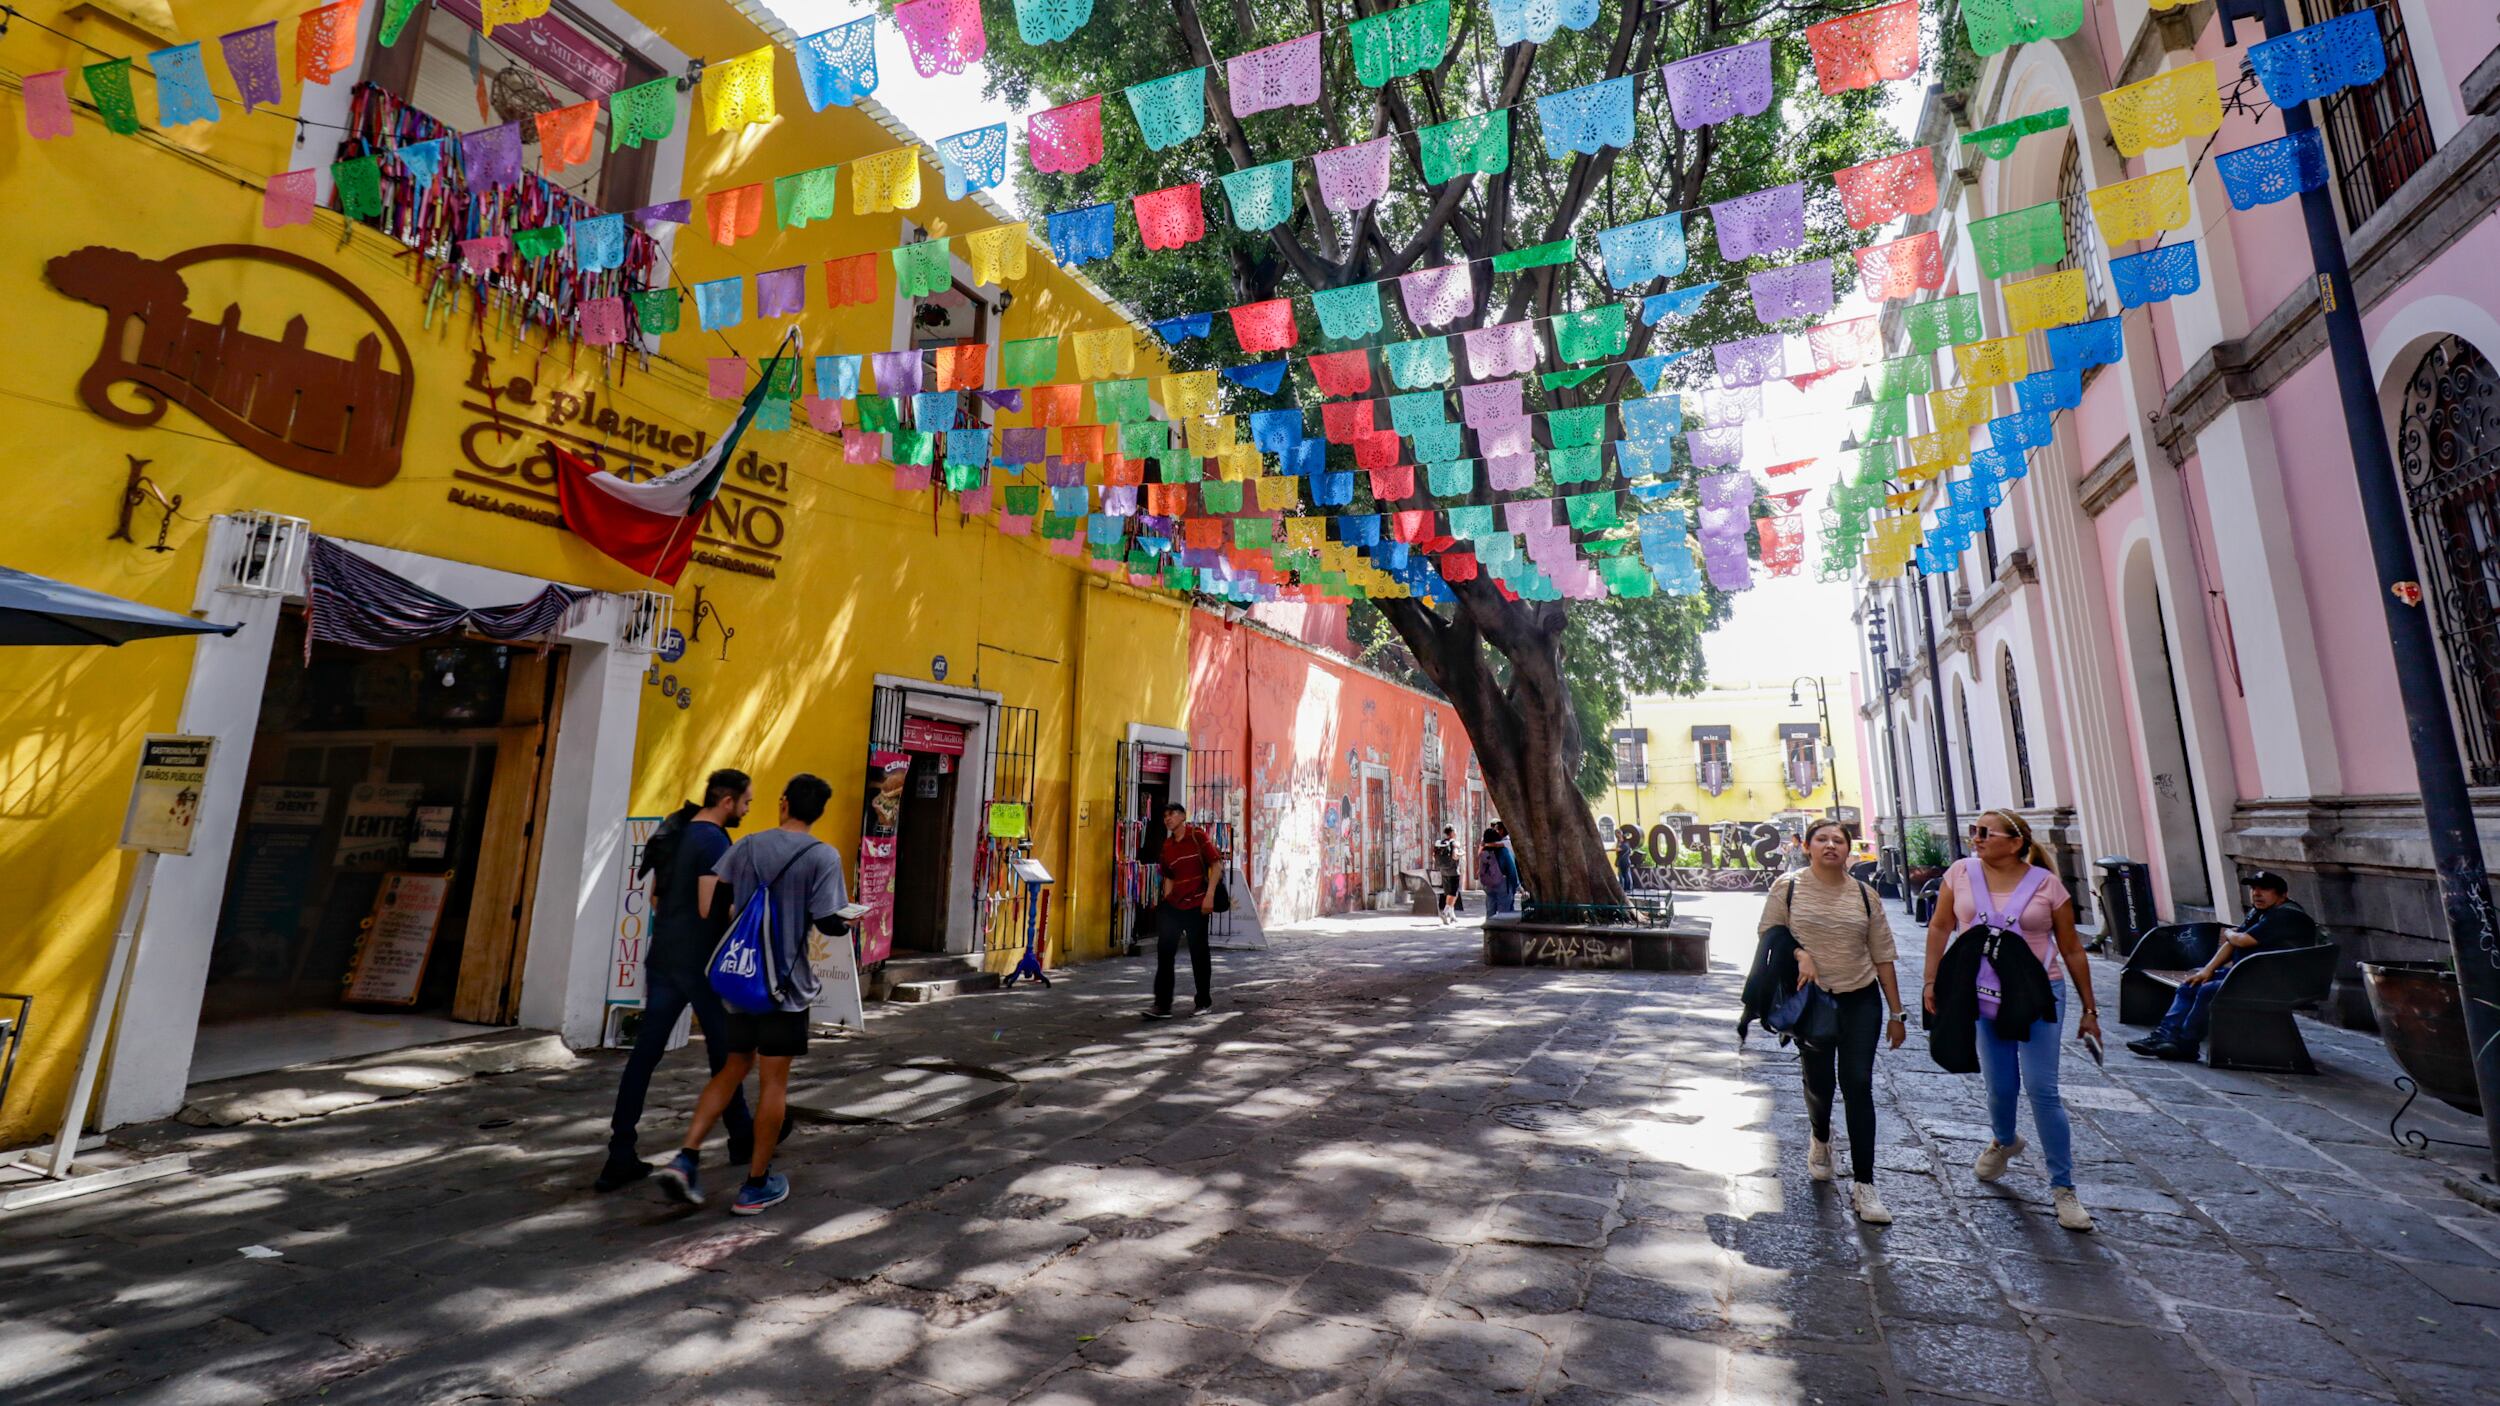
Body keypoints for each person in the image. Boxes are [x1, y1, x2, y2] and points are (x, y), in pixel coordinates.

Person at [653, 774, 849, 1216]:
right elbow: (827, 922)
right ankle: (755, 1184)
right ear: (818, 813)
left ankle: (686, 1157)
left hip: (741, 979)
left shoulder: (747, 845)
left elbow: (718, 901)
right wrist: (848, 920)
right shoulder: (823, 856)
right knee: (774, 1082)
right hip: (785, 987)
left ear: (783, 803)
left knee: (732, 1068)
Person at [1922, 808, 2102, 1233]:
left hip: (2038, 994)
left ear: (2016, 841)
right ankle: (2004, 1141)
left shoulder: (2048, 886)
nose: (1977, 839)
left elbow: (2072, 948)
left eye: (1985, 832)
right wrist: (1932, 981)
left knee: (2043, 1089)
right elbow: (1940, 926)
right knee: (2000, 1085)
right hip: (1982, 995)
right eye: (1974, 831)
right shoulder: (1961, 874)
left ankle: (2063, 1189)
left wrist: (2090, 1009)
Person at [596, 768, 756, 1192]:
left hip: (664, 955)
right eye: (745, 803)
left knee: (645, 1055)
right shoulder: (714, 841)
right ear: (727, 802)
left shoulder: (678, 831)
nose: (746, 809)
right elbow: (712, 908)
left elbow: (655, 897)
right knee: (727, 1056)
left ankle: (620, 1152)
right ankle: (742, 1139)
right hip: (699, 964)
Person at [1757, 819, 1906, 1224]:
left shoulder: (1865, 894)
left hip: (1861, 998)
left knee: (1858, 1083)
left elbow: (1883, 955)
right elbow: (1768, 933)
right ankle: (1820, 1137)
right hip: (1813, 1001)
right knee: (1819, 1083)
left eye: (1837, 840)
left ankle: (1865, 1184)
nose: (1829, 845)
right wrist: (1798, 954)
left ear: (1847, 849)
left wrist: (1897, 1013)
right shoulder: (1787, 888)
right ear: (1807, 847)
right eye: (1821, 839)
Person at [2129, 871, 2321, 1062]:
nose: (2256, 893)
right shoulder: (2261, 913)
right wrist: (2207, 970)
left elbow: (2242, 939)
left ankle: (2187, 1044)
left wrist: (2230, 933)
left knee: (2208, 990)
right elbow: (2233, 942)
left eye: (2264, 889)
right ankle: (2165, 1036)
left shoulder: (2287, 916)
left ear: (2282, 894)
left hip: (2278, 982)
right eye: (2254, 889)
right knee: (2191, 984)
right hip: (2251, 975)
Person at [1143, 801, 1222, 1019]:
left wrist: (1210, 896)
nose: (1168, 819)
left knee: (1199, 954)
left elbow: (1216, 865)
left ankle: (1203, 1002)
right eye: (1165, 816)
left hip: (1197, 903)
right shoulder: (1167, 846)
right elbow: (1168, 874)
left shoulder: (1198, 837)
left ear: (1182, 816)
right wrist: (1167, 899)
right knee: (1165, 954)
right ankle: (1162, 1005)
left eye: (1172, 814)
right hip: (1174, 906)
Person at [1478, 826, 1516, 919]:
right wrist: (1516, 885)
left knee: (1490, 910)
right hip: (1503, 883)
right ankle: (1503, 932)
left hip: (1488, 884)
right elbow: (1511, 868)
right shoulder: (1503, 851)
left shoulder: (1484, 851)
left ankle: (1490, 930)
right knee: (1504, 913)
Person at [1433, 825, 1464, 925]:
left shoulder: (1440, 843)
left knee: (1448, 893)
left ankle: (1452, 916)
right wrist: (1461, 854)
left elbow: (1434, 857)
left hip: (1443, 871)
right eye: (1455, 831)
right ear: (1452, 832)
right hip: (1454, 871)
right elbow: (1455, 856)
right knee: (1453, 893)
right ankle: (1445, 912)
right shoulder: (1454, 843)